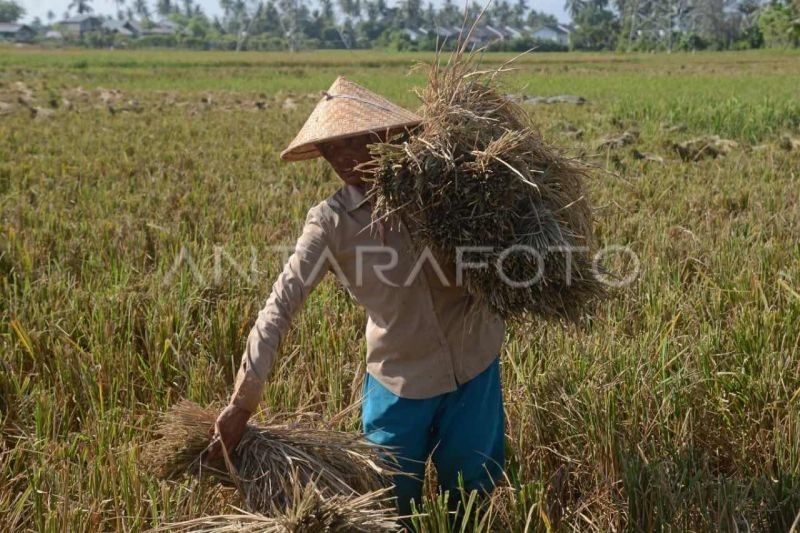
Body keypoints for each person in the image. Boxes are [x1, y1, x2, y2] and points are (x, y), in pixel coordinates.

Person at [205, 76, 506, 518]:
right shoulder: (330, 223)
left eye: (355, 142)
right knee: (389, 501)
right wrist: (242, 400)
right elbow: (281, 302)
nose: (344, 158)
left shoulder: (441, 190)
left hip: (474, 365)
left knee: (473, 495)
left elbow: (502, 242)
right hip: (400, 380)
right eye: (332, 149)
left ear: (382, 136)